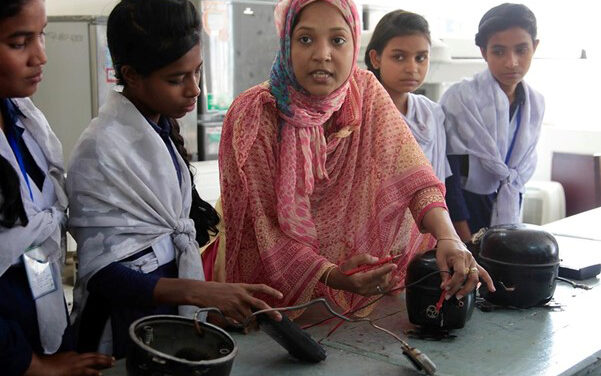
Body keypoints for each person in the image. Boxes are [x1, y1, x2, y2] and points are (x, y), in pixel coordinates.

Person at [219, 0, 494, 317]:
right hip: (279, 298)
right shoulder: (254, 115)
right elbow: (263, 228)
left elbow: (415, 178)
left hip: (359, 296)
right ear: (285, 43)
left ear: (353, 46)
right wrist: (332, 276)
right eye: (306, 39)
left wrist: (449, 238)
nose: (322, 54)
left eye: (337, 40)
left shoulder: (365, 93)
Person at [66, 0, 282, 359]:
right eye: (176, 79)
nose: (194, 89)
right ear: (132, 75)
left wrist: (204, 306)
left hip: (164, 314)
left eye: (197, 72)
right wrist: (199, 293)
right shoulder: (101, 149)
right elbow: (102, 274)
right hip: (118, 326)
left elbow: (163, 252)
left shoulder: (158, 127)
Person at [0, 0, 115, 375]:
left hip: (41, 320)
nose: (41, 56)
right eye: (19, 42)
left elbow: (36, 237)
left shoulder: (23, 120)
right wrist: (33, 365)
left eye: (42, 35)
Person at [442, 3, 544, 242]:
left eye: (521, 50)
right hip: (463, 212)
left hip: (507, 208)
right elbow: (448, 176)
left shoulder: (536, 104)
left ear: (535, 47)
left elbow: (515, 177)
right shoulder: (460, 98)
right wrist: (464, 241)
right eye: (499, 51)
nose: (512, 62)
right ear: (483, 51)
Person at [365, 10, 450, 182]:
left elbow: (437, 179)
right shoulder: (360, 112)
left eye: (420, 58)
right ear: (376, 59)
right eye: (399, 57)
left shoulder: (431, 113)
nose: (412, 68)